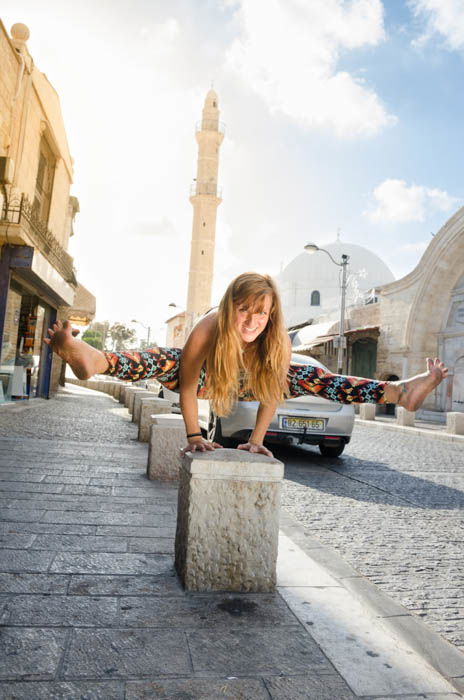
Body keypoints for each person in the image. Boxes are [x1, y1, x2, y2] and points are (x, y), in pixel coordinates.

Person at [44, 272, 448, 457]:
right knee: (168, 359)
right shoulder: (208, 326)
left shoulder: (275, 341)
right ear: (229, 308)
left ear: (271, 315)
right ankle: (94, 359)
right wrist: (192, 435)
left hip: (253, 386)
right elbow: (186, 385)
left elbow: (272, 393)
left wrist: (256, 440)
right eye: (244, 311)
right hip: (205, 381)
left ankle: (399, 392)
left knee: (312, 376)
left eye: (261, 314)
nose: (252, 321)